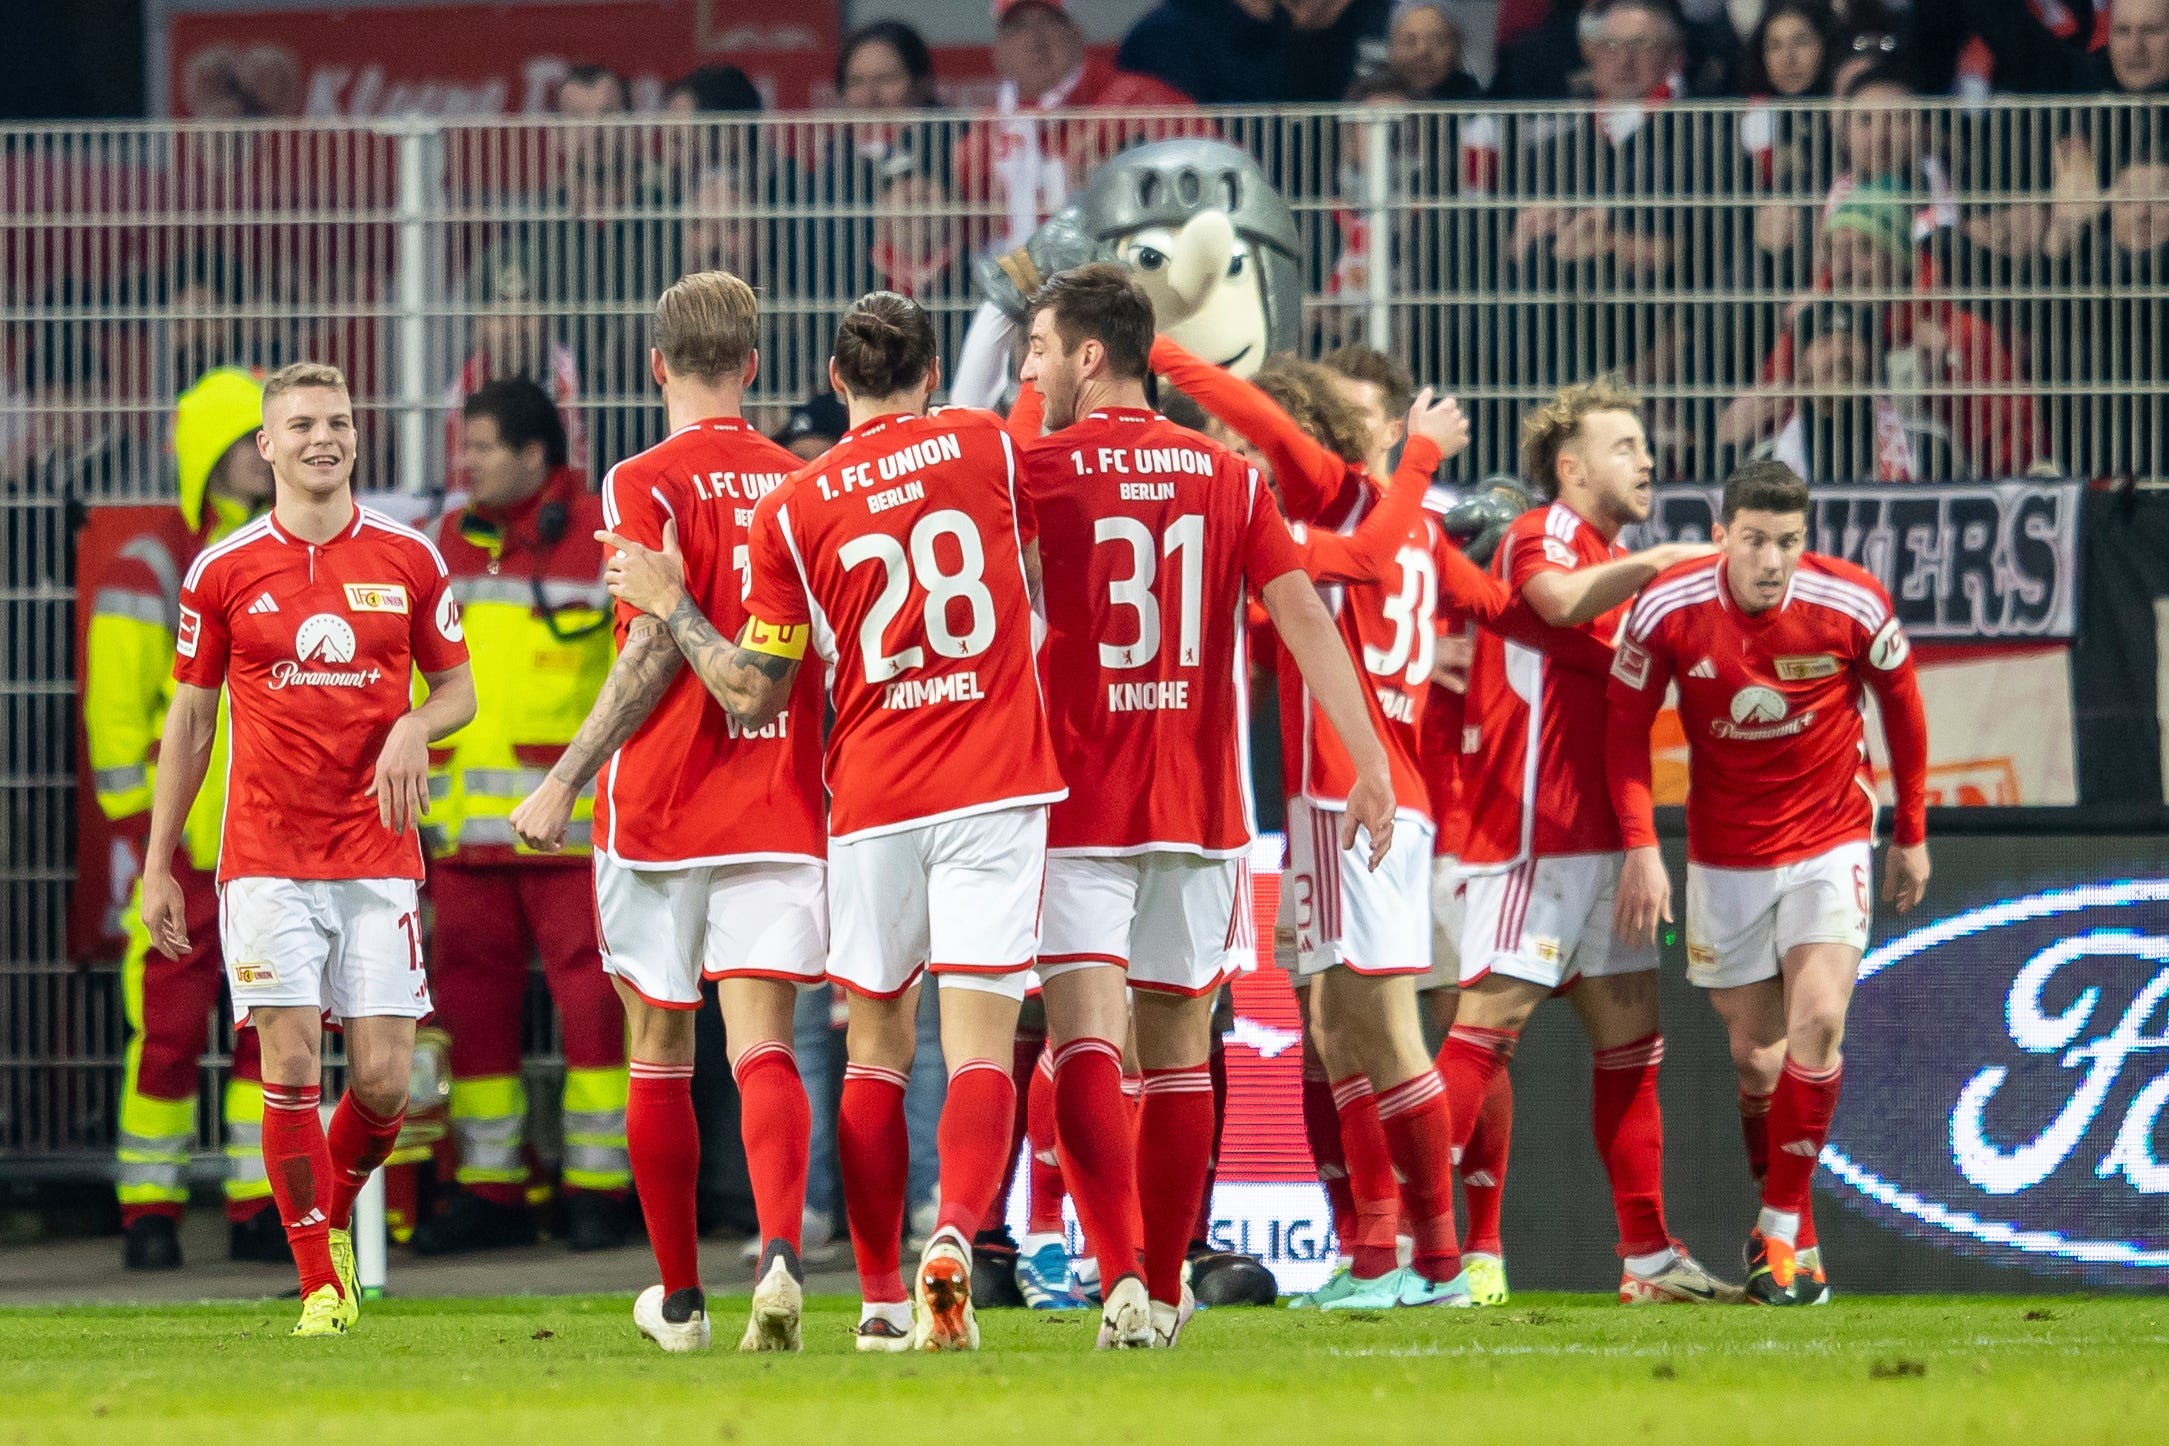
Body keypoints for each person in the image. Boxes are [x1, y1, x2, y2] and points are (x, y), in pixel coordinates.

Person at [603, 290, 1064, 1354]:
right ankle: (951, 1233)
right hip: (995, 781)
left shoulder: (798, 508)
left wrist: (673, 602)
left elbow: (754, 688)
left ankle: (876, 1301)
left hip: (873, 799)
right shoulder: (986, 448)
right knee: (984, 1036)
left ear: (831, 376)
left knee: (875, 1049)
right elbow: (1035, 555)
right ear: (934, 370)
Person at [1013, 264, 1418, 1343]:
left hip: (1079, 801)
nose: (1033, 370)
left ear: (1090, 355)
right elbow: (1306, 619)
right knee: (1183, 1049)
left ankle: (1120, 1284)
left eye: (1042, 349)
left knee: (1086, 1045)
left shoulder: (1038, 473)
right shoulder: (1229, 479)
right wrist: (1370, 758)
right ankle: (1162, 1276)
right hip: (1199, 812)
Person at [509, 272, 825, 1355]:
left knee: (657, 1044)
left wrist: (564, 776)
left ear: (655, 367)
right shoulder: (800, 482)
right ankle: (780, 1251)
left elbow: (648, 648)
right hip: (782, 796)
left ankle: (683, 1301)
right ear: (750, 366)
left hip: (658, 808)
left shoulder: (639, 480)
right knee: (765, 1045)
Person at [140, 360, 477, 1336]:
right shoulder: (223, 571)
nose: (321, 439)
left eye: (336, 422)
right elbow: (192, 724)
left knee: (381, 1083)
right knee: (287, 1068)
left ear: (356, 437)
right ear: (266, 447)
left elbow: (459, 689)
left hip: (378, 858)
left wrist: (416, 725)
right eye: (301, 426)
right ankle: (319, 1285)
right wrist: (163, 860)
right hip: (267, 858)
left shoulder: (411, 559)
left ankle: (323, 1207)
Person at [1438, 377, 1738, 1305]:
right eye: (1623, 446)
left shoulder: (1612, 553)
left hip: (1604, 840)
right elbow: (1560, 602)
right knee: (1484, 1031)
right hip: (1533, 834)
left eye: (1644, 445)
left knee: (1631, 1044)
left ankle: (1646, 1257)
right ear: (1569, 468)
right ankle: (1397, 1241)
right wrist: (1668, 562)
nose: (1644, 459)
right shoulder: (1544, 533)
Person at [1605, 457, 1930, 1305]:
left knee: (1817, 1021)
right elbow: (1621, 735)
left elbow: (1902, 706)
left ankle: (1778, 1227)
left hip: (1830, 838)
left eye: (1787, 541)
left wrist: (1912, 830)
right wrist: (1642, 846)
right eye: (1754, 540)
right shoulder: (1667, 611)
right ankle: (1795, 1239)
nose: (1772, 559)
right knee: (1757, 1058)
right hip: (1724, 853)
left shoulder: (1851, 602)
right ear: (1721, 538)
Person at [413, 378, 630, 1257]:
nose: (466, 462)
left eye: (483, 446)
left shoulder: (598, 542)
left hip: (571, 838)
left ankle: (599, 1190)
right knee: (473, 1019)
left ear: (536, 456)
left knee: (595, 1014)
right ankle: (493, 1188)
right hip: (465, 841)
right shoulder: (442, 545)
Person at [86, 367, 280, 1270]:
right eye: (251, 441)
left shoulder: (279, 552)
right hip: (181, 857)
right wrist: (140, 837)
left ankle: (257, 1209)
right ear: (212, 455)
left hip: (260, 850)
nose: (266, 456)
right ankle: (148, 1211)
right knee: (163, 1036)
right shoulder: (152, 567)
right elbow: (116, 719)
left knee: (260, 1035)